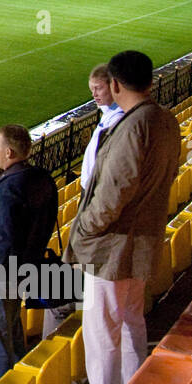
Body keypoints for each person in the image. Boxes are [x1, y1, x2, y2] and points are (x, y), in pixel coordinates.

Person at [57, 50, 180, 384]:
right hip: (141, 242)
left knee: (102, 331)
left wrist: (85, 231)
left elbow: (114, 193)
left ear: (114, 84)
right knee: (130, 323)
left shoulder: (133, 126)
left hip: (114, 249)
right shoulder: (164, 120)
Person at [42, 64, 127, 339]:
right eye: (91, 90)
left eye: (98, 88)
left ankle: (59, 348)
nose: (94, 95)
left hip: (96, 210)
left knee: (61, 293)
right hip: (93, 206)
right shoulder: (110, 117)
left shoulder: (119, 122)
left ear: (114, 86)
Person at [0, 124, 59, 384]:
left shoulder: (10, 186)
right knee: (12, 328)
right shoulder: (41, 177)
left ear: (9, 152)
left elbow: (4, 236)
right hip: (24, 268)